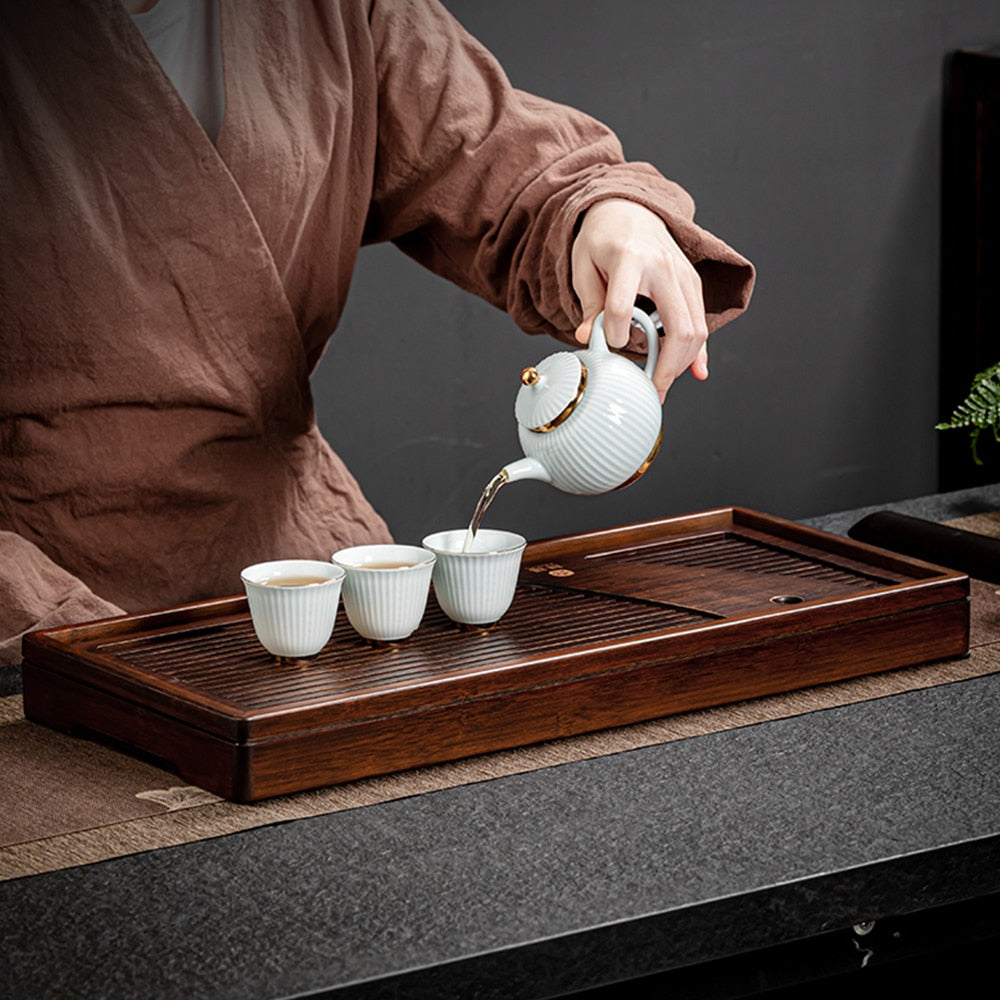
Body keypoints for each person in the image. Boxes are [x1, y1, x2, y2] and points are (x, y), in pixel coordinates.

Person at [0, 0, 755, 669]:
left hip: (297, 567)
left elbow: (492, 154)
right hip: (33, 598)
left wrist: (602, 212)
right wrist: (56, 640)